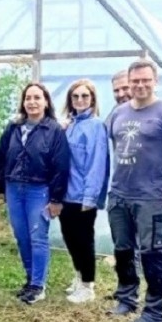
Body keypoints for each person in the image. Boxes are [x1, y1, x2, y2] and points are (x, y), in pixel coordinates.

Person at [106, 60, 162, 322]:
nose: (140, 85)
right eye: (135, 81)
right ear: (129, 83)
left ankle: (155, 311)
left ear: (155, 82)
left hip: (150, 198)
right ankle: (126, 297)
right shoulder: (119, 113)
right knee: (123, 250)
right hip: (119, 195)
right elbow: (117, 148)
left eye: (145, 81)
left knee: (153, 253)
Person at [0, 82, 68, 304]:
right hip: (14, 188)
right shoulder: (14, 127)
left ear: (46, 102)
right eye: (28, 98)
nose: (32, 102)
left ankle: (38, 285)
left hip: (39, 190)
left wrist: (56, 198)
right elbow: (1, 155)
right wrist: (0, 187)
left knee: (38, 237)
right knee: (22, 237)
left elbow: (61, 165)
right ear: (23, 103)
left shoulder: (54, 130)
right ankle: (29, 280)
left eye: (37, 97)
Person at [60, 79, 109, 304]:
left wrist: (90, 197)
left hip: (82, 195)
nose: (80, 100)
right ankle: (79, 277)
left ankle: (88, 285)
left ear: (92, 99)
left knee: (83, 239)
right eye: (75, 96)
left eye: (84, 96)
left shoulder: (96, 125)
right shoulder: (70, 125)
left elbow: (96, 164)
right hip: (66, 193)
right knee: (70, 238)